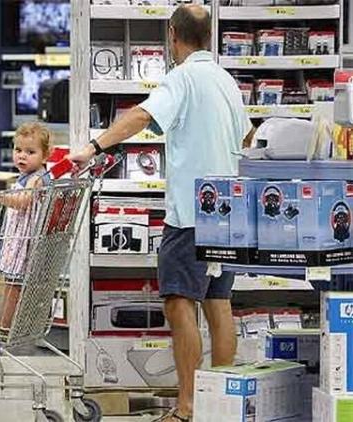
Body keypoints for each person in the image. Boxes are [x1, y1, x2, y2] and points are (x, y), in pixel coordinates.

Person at [67, 5, 256, 421]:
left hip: (191, 213)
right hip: (229, 211)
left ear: (172, 34)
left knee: (179, 303)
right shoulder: (225, 79)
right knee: (219, 303)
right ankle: (221, 405)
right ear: (210, 36)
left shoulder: (182, 77)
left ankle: (187, 407)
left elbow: (141, 115)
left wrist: (93, 147)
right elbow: (247, 136)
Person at [0, 122, 53, 328]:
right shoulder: (30, 176)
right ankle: (11, 325)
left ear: (45, 156)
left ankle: (4, 328)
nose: (22, 156)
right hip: (21, 240)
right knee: (14, 286)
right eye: (18, 150)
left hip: (25, 244)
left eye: (30, 152)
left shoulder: (36, 179)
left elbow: (21, 202)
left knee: (13, 286)